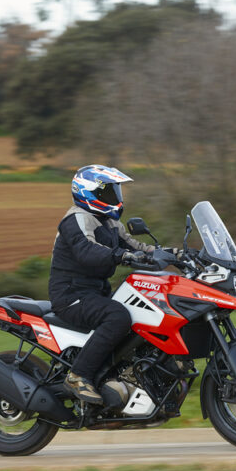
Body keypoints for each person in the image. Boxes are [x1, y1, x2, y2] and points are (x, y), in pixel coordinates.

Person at [49, 164, 155, 405]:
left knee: (142, 313)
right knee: (118, 317)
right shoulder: (76, 218)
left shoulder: (109, 223)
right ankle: (78, 376)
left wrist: (175, 255)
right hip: (71, 296)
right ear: (88, 193)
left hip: (95, 293)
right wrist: (120, 256)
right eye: (108, 192)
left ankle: (122, 376)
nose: (115, 197)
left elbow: (136, 247)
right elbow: (86, 250)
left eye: (115, 192)